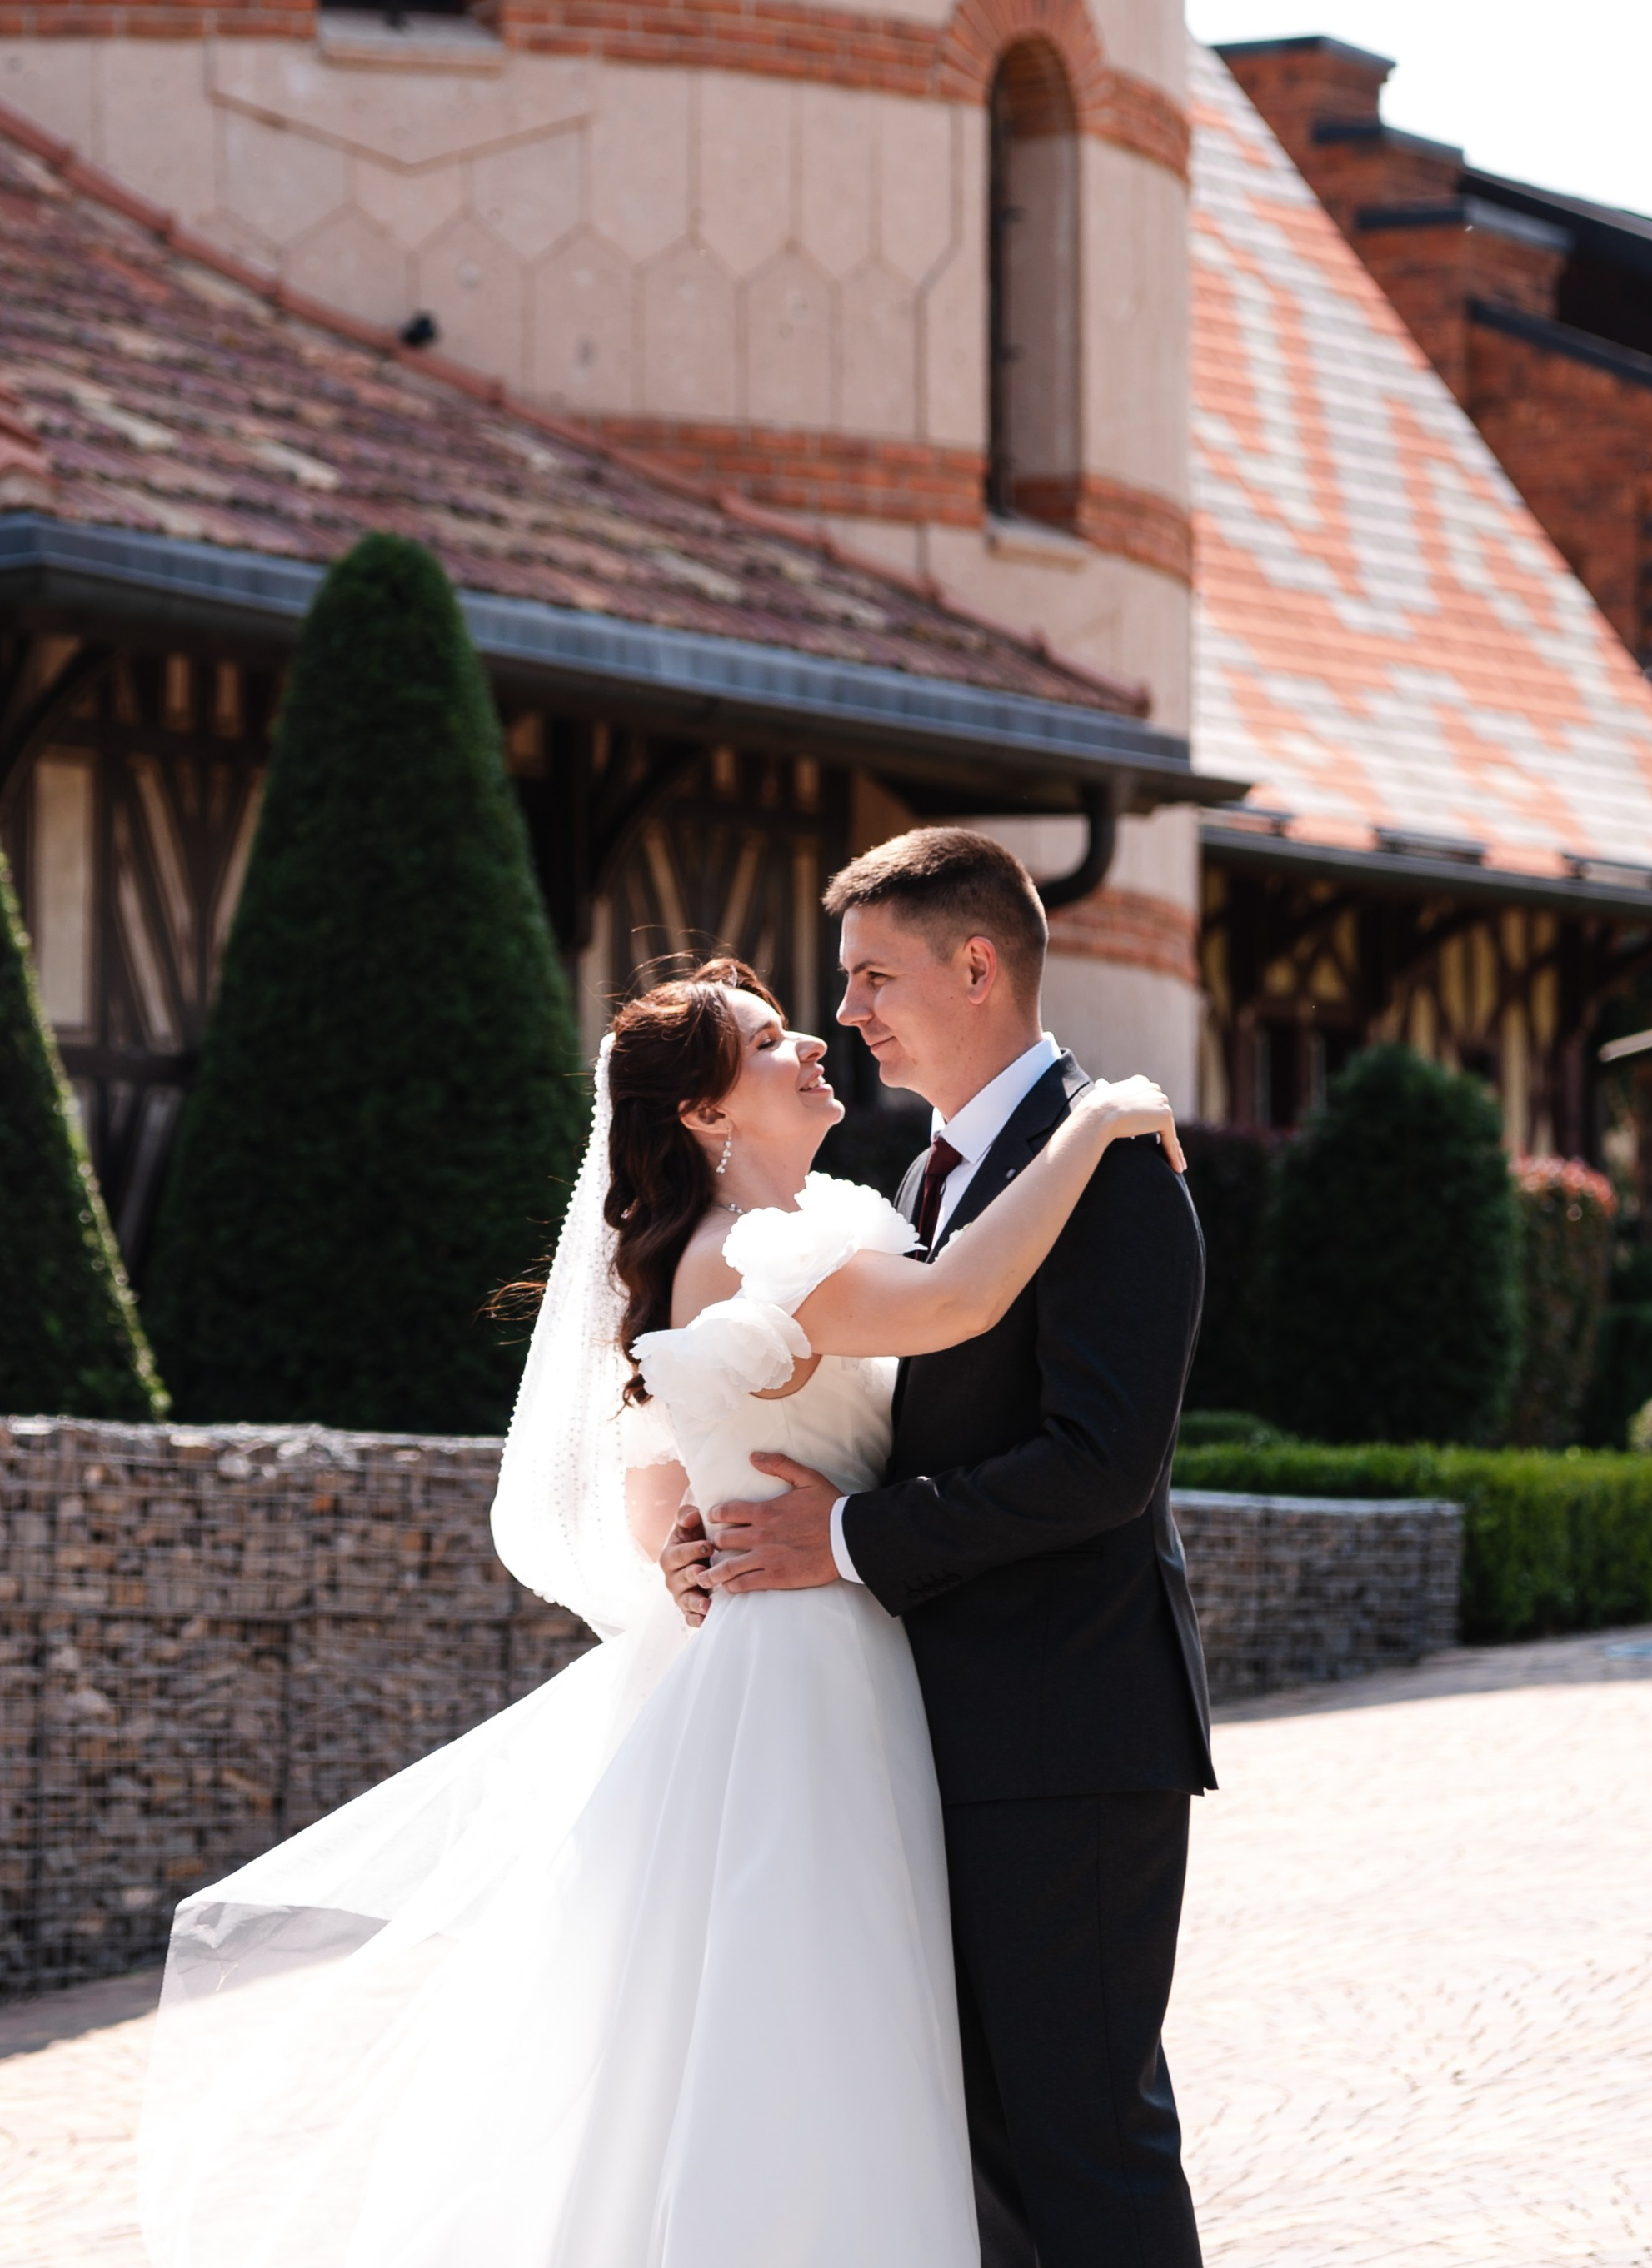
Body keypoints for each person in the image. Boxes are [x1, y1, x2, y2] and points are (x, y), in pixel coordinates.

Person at [137, 945, 1183, 2268]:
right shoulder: (751, 1247)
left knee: (782, 2030)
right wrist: (1094, 1121)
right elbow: (963, 1299)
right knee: (814, 2026)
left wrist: (689, 1546)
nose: (815, 1045)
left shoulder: (766, 1236)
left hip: (810, 1643)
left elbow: (651, 1494)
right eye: (768, 1041)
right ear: (701, 1113)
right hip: (808, 1674)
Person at [666, 829, 1215, 2267]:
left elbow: (1103, 1467)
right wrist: (712, 1526)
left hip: (1068, 1727)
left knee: (1084, 2139)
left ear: (977, 967)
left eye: (870, 977)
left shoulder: (1115, 1155)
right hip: (933, 1733)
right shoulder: (920, 1182)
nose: (845, 1012)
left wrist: (840, 1537)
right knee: (980, 2147)